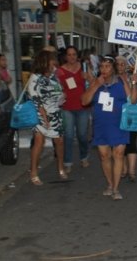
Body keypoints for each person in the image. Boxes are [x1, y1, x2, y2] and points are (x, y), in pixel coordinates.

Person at [81, 55, 137, 200]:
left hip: (119, 124)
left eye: (107, 66)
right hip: (101, 125)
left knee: (118, 154)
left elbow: (132, 100)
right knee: (104, 155)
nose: (104, 69)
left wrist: (133, 84)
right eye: (102, 67)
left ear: (113, 69)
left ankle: (116, 188)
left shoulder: (121, 81)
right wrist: (95, 85)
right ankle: (110, 184)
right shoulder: (95, 82)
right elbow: (84, 101)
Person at [28, 50, 67, 185]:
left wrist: (62, 95)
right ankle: (33, 172)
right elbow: (35, 98)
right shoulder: (35, 78)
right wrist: (44, 117)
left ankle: (61, 167)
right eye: (51, 60)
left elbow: (60, 89)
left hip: (55, 112)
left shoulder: (53, 75)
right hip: (41, 114)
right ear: (45, 61)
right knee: (39, 142)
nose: (54, 62)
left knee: (59, 141)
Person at [55, 45, 91, 173]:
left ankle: (84, 156)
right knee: (68, 136)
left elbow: (94, 84)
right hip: (67, 107)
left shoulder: (84, 68)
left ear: (77, 56)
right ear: (65, 56)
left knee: (82, 135)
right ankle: (68, 162)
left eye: (74, 54)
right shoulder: (60, 71)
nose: (71, 57)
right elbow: (56, 88)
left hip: (82, 106)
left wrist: (88, 77)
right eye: (69, 54)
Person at [115, 55, 137, 182]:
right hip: (116, 114)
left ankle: (132, 171)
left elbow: (132, 98)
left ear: (126, 66)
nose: (120, 66)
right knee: (119, 143)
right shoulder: (111, 79)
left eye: (122, 64)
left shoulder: (131, 78)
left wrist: (133, 83)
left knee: (131, 141)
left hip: (131, 114)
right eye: (117, 64)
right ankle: (123, 168)